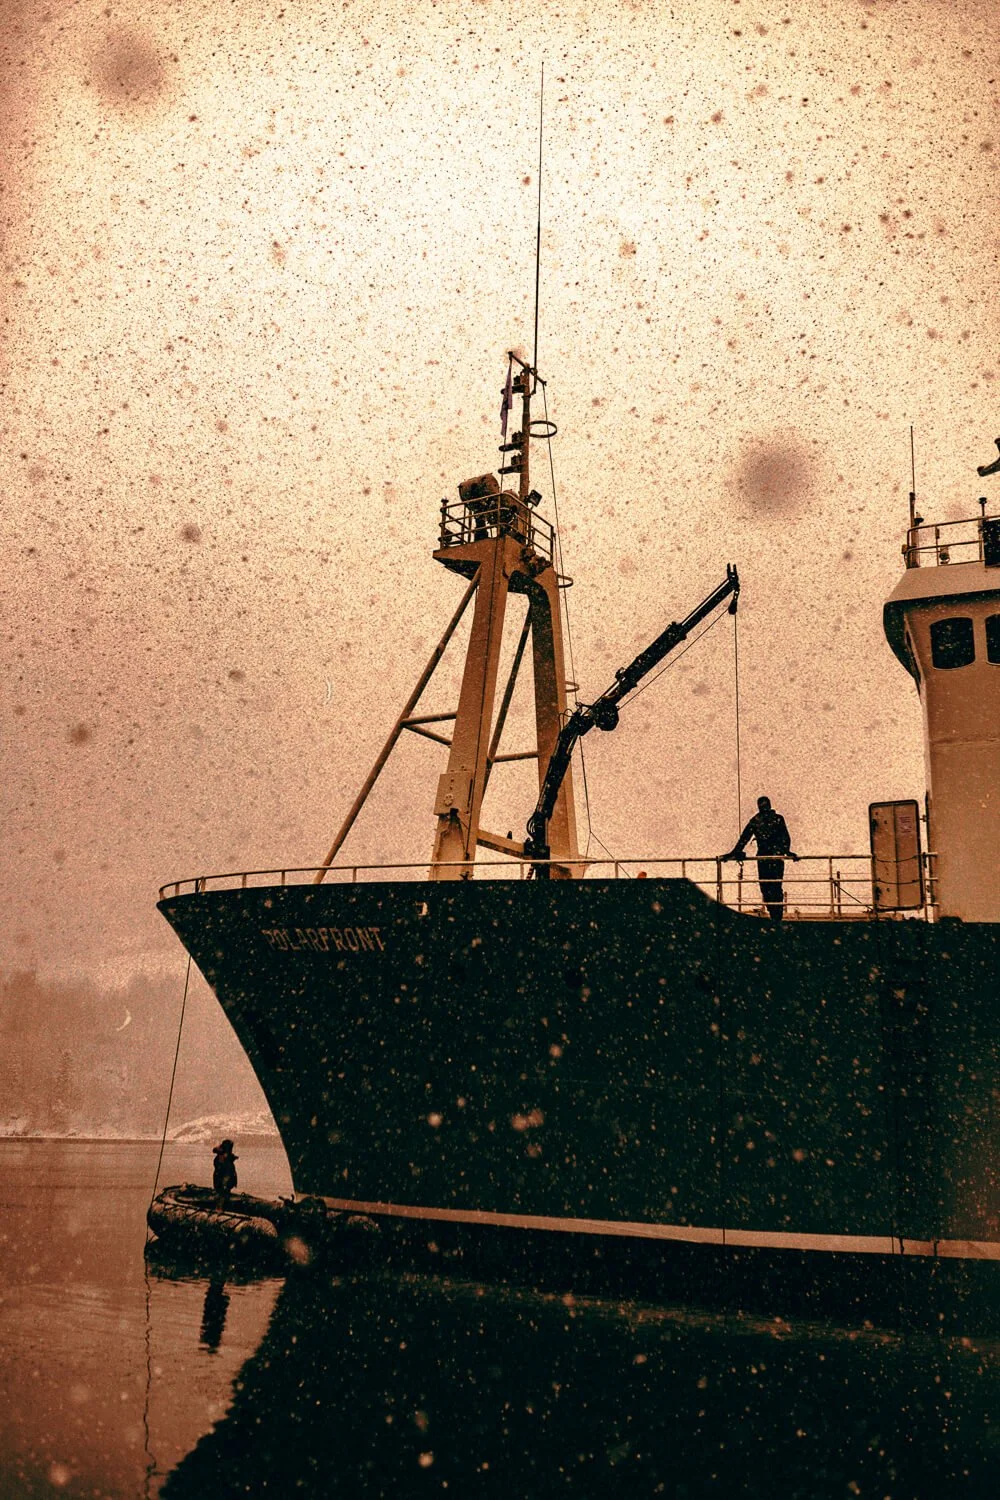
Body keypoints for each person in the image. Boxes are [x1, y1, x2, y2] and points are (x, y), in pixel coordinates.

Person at [722, 796, 799, 920]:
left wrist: (734, 852)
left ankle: (775, 915)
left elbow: (744, 839)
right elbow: (785, 838)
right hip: (773, 857)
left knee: (768, 887)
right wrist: (786, 851)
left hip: (766, 858)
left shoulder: (758, 820)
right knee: (772, 887)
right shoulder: (772, 819)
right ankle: (776, 916)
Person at [212, 1138, 238, 1208]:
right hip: (222, 1177)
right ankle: (221, 1205)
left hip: (224, 1178)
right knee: (222, 1191)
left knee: (222, 1192)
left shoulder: (226, 1157)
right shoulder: (224, 1155)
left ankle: (220, 1206)